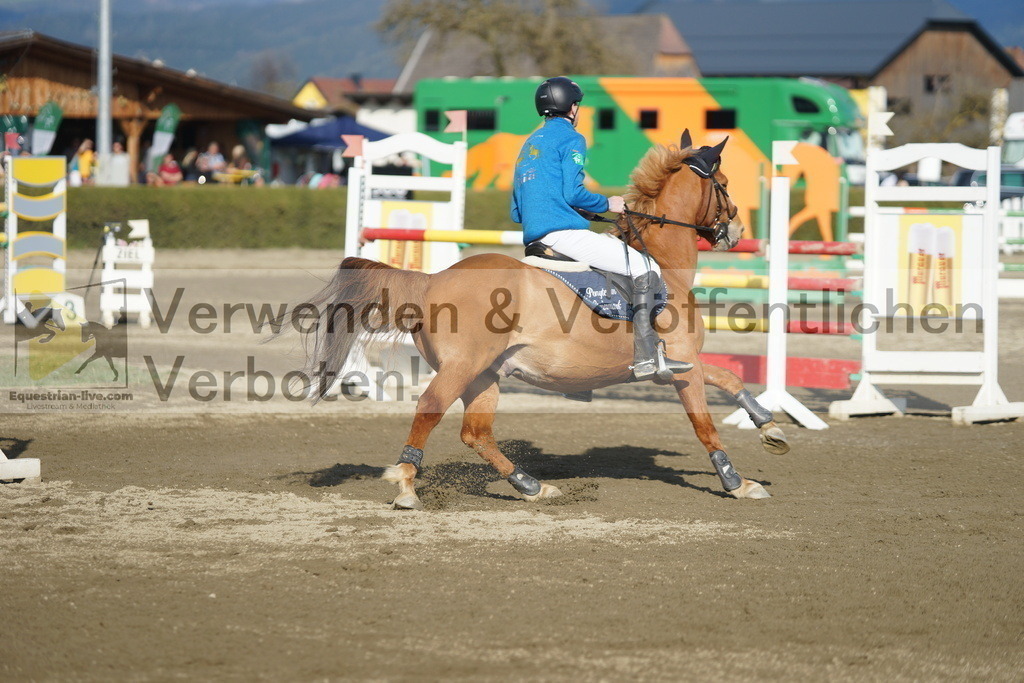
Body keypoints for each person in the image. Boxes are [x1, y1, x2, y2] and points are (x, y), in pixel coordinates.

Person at [511, 77, 690, 382]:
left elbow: (517, 210)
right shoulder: (571, 138)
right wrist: (608, 203)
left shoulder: (529, 143)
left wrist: (575, 211)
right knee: (646, 267)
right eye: (578, 105)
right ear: (572, 108)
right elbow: (573, 192)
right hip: (564, 235)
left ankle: (580, 377)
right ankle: (647, 355)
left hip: (534, 238)